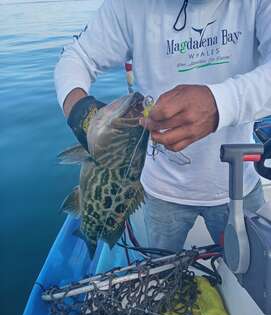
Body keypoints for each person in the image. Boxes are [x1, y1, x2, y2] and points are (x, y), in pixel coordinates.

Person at [55, 0, 271, 252]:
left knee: (255, 277)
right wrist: (81, 111)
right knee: (161, 275)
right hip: (160, 191)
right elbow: (76, 57)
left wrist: (220, 104)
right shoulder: (129, 6)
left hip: (238, 186)